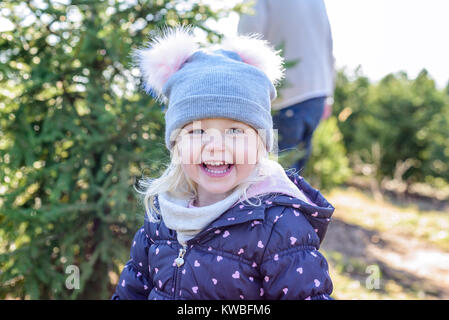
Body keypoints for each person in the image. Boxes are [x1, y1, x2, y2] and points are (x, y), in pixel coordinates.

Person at [111, 26, 334, 300]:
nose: (215, 145)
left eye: (234, 131)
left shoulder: (278, 226)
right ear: (177, 145)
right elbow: (132, 290)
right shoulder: (162, 213)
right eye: (197, 131)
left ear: (260, 144)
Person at [238, 0, 336, 172]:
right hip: (317, 95)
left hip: (284, 95)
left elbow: (246, 42)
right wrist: (329, 96)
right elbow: (329, 47)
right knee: (294, 172)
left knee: (275, 173)